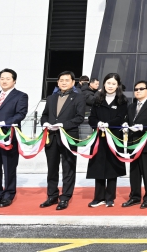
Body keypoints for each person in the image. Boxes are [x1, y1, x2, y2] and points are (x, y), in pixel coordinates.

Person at [40, 71, 86, 210]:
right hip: (51, 137)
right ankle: (52, 195)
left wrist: (63, 125)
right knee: (52, 168)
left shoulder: (79, 98)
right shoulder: (51, 98)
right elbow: (45, 115)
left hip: (68, 137)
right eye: (61, 80)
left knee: (68, 168)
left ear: (73, 82)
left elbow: (79, 118)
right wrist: (45, 123)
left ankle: (65, 197)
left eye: (67, 80)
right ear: (58, 82)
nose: (64, 82)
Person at [0, 68, 28, 208]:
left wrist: (4, 123)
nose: (4, 81)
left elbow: (21, 114)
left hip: (8, 136)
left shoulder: (21, 96)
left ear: (14, 80)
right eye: (2, 78)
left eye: (8, 78)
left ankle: (8, 195)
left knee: (9, 166)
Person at [86, 73, 129, 207]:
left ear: (118, 85)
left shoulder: (122, 100)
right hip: (99, 137)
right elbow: (92, 117)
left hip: (114, 137)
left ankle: (110, 197)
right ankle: (98, 197)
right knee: (98, 166)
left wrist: (108, 124)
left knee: (112, 166)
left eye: (113, 84)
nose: (110, 86)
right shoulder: (97, 99)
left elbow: (120, 117)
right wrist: (98, 123)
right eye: (108, 83)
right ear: (104, 84)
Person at [122, 80, 147, 209]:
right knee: (134, 172)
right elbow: (127, 120)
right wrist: (124, 124)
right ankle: (134, 197)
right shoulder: (131, 106)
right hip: (133, 144)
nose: (138, 91)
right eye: (136, 89)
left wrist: (142, 127)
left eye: (141, 89)